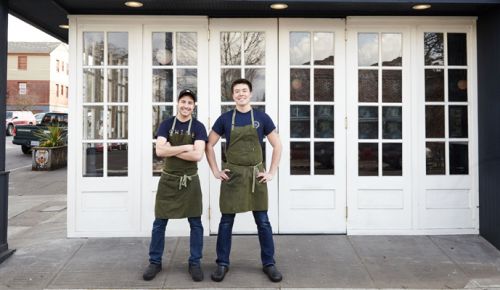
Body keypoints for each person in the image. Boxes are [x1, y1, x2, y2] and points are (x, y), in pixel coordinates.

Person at [205, 78, 283, 282]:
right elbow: (208, 145)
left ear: (250, 94)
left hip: (256, 176)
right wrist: (215, 170)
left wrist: (271, 172)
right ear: (233, 96)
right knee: (226, 222)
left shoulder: (261, 117)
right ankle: (222, 263)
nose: (241, 94)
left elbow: (278, 145)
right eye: (237, 91)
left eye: (244, 91)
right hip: (234, 176)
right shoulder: (224, 119)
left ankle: (269, 263)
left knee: (263, 222)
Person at [143, 89, 208, 282]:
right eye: (183, 102)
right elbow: (159, 151)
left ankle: (195, 262)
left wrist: (171, 149)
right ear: (178, 103)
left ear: (193, 106)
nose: (186, 106)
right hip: (169, 180)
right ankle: (155, 261)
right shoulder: (165, 124)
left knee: (196, 223)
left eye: (190, 103)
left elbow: (198, 155)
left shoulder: (198, 126)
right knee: (159, 222)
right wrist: (186, 147)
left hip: (190, 180)